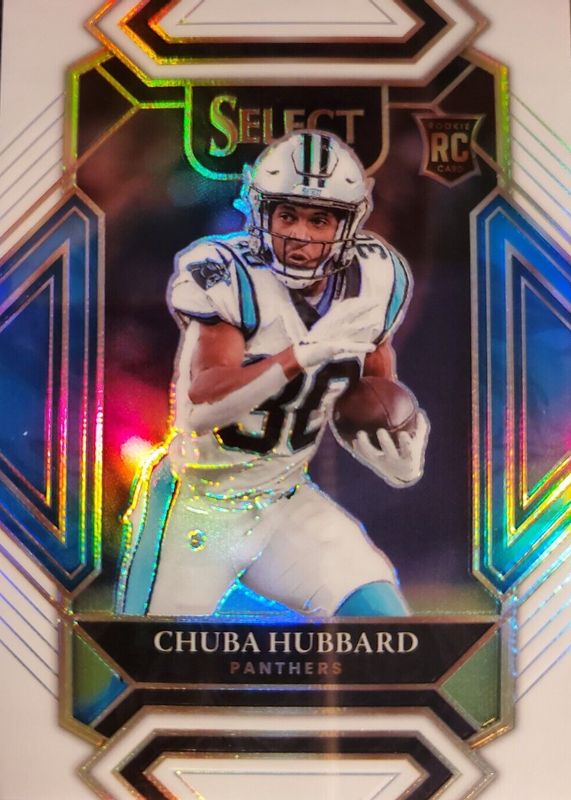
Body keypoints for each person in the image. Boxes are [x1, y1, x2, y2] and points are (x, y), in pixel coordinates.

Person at [116, 130, 429, 618]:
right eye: (287, 215)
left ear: (348, 222)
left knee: (386, 627)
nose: (300, 235)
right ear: (261, 213)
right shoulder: (228, 273)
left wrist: (395, 442)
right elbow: (201, 410)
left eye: (319, 219)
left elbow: (372, 384)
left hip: (283, 497)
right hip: (198, 504)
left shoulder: (376, 278)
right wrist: (298, 355)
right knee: (146, 659)